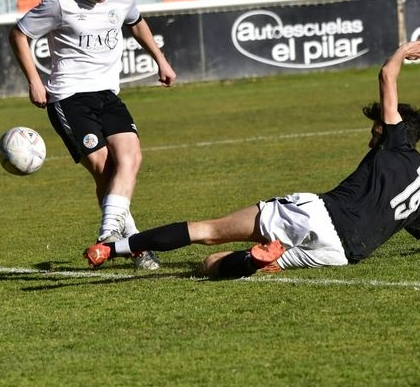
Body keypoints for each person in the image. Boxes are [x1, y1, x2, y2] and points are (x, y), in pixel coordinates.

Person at [85, 41, 420, 278]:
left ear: (396, 130)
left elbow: (387, 75)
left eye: (376, 132)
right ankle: (251, 262)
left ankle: (112, 250)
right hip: (343, 254)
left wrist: (405, 50)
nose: (371, 138)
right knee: (213, 265)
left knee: (209, 231)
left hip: (318, 216)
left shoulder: (396, 142)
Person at [9, 0, 177, 270]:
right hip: (69, 98)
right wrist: (34, 80)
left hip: (108, 95)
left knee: (132, 158)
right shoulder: (61, 3)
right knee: (105, 169)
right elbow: (18, 34)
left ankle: (111, 235)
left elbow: (136, 21)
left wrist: (160, 60)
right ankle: (134, 246)